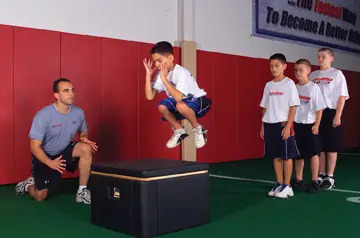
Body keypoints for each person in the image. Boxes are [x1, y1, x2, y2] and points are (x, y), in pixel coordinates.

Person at [15, 78, 98, 204]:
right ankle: (27, 185)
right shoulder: (42, 116)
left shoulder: (78, 113)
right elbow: (34, 147)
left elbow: (83, 132)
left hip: (64, 150)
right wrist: (50, 162)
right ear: (56, 95)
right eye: (66, 91)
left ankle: (82, 191)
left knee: (86, 148)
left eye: (72, 90)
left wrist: (84, 138)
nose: (71, 94)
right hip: (45, 155)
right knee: (40, 196)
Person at [143, 41, 212, 149]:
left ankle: (198, 130)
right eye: (154, 61)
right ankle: (180, 130)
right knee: (162, 106)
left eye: (159, 61)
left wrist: (164, 79)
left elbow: (179, 97)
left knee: (180, 105)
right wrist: (148, 75)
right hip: (182, 103)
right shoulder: (161, 74)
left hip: (199, 102)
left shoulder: (181, 72)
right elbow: (150, 96)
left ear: (170, 58)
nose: (156, 64)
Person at [260, 53, 300, 198]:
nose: (273, 69)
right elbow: (264, 106)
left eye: (276, 66)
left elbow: (293, 106)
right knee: (275, 156)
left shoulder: (289, 84)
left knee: (286, 156)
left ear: (284, 66)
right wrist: (263, 125)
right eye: (271, 66)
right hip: (269, 124)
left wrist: (288, 126)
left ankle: (287, 186)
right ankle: (279, 182)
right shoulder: (268, 85)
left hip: (283, 125)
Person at [309, 48, 349, 189]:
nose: (320, 59)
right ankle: (320, 174)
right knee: (319, 146)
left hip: (331, 113)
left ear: (331, 58)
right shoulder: (312, 75)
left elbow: (342, 96)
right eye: (318, 56)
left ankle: (330, 177)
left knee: (331, 146)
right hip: (315, 114)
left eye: (323, 57)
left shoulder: (337, 74)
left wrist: (337, 115)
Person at [292, 59, 326, 193]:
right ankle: (298, 179)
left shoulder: (313, 88)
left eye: (301, 70)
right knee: (298, 155)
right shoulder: (294, 87)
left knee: (313, 154)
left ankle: (314, 181)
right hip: (297, 125)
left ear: (308, 71)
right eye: (296, 70)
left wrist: (317, 124)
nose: (298, 72)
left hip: (310, 125)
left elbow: (319, 109)